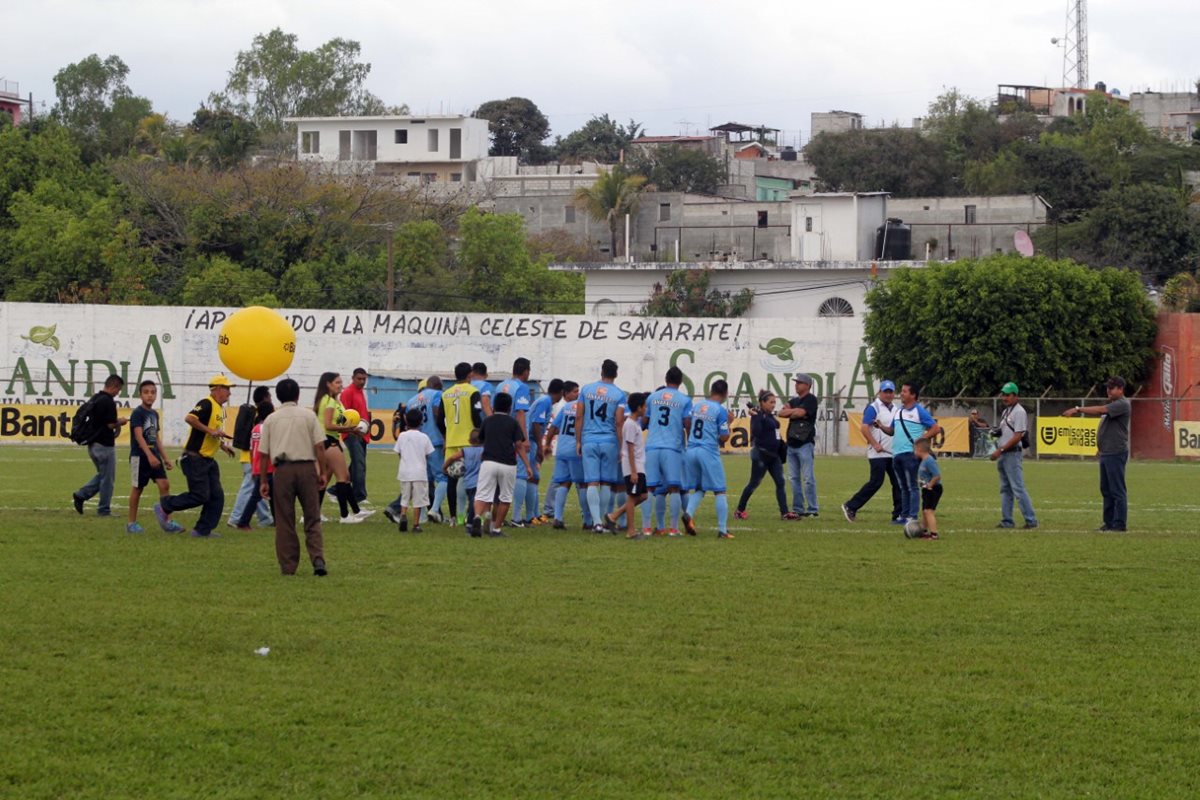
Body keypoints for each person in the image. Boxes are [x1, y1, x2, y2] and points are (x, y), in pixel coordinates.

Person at [257, 378, 327, 576]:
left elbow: (263, 454)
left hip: (283, 471)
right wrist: (322, 471)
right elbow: (320, 446)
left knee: (285, 520)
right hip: (306, 468)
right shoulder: (309, 415)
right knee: (312, 517)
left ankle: (288, 566)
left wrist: (263, 480)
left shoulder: (271, 419)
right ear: (297, 395)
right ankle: (318, 559)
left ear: (278, 397)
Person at [154, 374, 236, 538]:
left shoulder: (220, 409)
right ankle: (165, 505)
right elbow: (190, 418)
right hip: (194, 458)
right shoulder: (206, 403)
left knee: (217, 496)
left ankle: (202, 530)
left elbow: (210, 432)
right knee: (200, 495)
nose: (229, 393)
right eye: (227, 389)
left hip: (208, 460)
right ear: (217, 389)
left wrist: (221, 445)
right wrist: (211, 431)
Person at [1064, 376, 1131, 532]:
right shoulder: (1114, 404)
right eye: (1108, 387)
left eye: (1112, 387)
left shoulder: (1122, 404)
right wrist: (1100, 447)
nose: (1108, 390)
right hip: (1107, 452)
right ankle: (1109, 523)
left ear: (1120, 389)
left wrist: (1078, 409)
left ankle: (1119, 523)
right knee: (1106, 489)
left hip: (1115, 452)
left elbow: (1101, 410)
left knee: (1117, 489)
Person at [971, 381, 1038, 530]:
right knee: (1005, 489)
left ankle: (1031, 520)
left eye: (1008, 395)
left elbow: (1018, 436)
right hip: (1003, 454)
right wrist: (995, 433)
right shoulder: (1006, 411)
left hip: (1011, 454)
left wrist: (999, 450)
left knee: (1018, 488)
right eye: (1003, 394)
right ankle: (1007, 520)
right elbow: (1004, 431)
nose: (1004, 397)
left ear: (1015, 396)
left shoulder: (1019, 412)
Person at [877, 382, 942, 526]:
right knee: (903, 486)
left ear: (913, 395)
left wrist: (921, 439)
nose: (901, 394)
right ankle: (904, 515)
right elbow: (892, 431)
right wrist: (881, 426)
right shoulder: (899, 411)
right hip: (897, 454)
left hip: (911, 454)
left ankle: (912, 516)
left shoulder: (919, 411)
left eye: (905, 391)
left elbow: (935, 428)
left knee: (912, 486)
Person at [576, 359, 627, 535]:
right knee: (606, 482)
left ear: (601, 372)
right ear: (616, 374)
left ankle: (596, 522)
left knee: (591, 481)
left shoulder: (586, 389)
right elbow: (619, 422)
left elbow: (579, 416)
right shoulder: (619, 394)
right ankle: (604, 521)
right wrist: (621, 447)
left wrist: (578, 440)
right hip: (609, 441)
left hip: (589, 439)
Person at [841, 380, 903, 524]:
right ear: (879, 392)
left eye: (891, 392)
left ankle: (898, 514)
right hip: (877, 454)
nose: (888, 394)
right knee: (876, 482)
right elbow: (864, 428)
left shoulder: (895, 408)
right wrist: (875, 444)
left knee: (898, 483)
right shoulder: (873, 407)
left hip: (892, 452)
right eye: (885, 391)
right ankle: (850, 506)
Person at [126, 379, 183, 534]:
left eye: (153, 392)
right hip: (140, 456)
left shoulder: (154, 414)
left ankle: (168, 521)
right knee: (137, 489)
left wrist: (165, 457)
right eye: (146, 392)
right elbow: (139, 436)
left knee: (164, 484)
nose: (150, 395)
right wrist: (149, 455)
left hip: (154, 456)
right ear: (140, 395)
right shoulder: (138, 413)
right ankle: (131, 523)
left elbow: (155, 437)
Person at [313, 372, 370, 524]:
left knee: (325, 479)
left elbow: (337, 423)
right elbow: (328, 425)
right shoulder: (330, 401)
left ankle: (313, 513)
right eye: (337, 382)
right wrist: (351, 429)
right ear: (328, 384)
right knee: (343, 477)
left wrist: (350, 428)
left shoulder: (331, 401)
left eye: (341, 382)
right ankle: (345, 516)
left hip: (328, 440)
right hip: (328, 440)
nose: (340, 385)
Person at [471, 391, 530, 537]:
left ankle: (477, 517)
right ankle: (496, 529)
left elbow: (480, 439)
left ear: (494, 405)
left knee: (482, 495)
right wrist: (527, 465)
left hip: (489, 461)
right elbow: (518, 445)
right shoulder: (513, 422)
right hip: (507, 463)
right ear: (510, 407)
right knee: (505, 497)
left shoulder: (488, 421)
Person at [644, 367, 693, 535]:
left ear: (665, 379)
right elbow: (687, 424)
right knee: (674, 488)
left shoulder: (652, 397)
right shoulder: (684, 400)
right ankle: (673, 528)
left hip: (651, 446)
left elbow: (646, 420)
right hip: (672, 447)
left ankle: (647, 527)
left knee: (650, 488)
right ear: (681, 381)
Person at [72, 374, 129, 518]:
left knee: (104, 476)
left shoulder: (96, 398)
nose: (118, 393)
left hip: (93, 444)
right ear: (114, 386)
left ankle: (81, 495)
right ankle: (103, 509)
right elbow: (110, 424)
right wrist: (120, 422)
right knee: (107, 479)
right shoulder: (108, 401)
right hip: (104, 444)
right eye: (118, 389)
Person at [683, 379, 733, 539]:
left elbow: (688, 423)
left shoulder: (697, 405)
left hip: (691, 449)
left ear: (711, 391)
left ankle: (688, 514)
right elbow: (724, 437)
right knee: (720, 491)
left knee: (700, 488)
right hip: (708, 451)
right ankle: (723, 530)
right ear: (725, 394)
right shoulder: (720, 410)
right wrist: (729, 423)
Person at [735, 391, 795, 521]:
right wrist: (756, 416)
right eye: (771, 402)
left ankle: (784, 513)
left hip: (774, 456)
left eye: (774, 402)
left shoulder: (770, 416)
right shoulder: (759, 415)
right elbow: (756, 431)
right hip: (761, 454)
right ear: (762, 402)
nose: (773, 405)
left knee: (780, 482)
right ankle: (739, 510)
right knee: (754, 483)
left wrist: (781, 445)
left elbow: (776, 434)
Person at [438, 362, 484, 526]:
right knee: (474, 479)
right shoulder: (473, 391)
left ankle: (452, 518)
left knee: (452, 479)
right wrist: (481, 435)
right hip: (470, 442)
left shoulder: (446, 393)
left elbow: (439, 419)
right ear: (470, 375)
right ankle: (474, 515)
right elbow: (476, 415)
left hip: (452, 442)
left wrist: (446, 436)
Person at [227, 386, 274, 531]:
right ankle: (235, 518)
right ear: (265, 398)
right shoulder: (260, 418)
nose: (271, 399)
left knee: (256, 489)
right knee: (248, 489)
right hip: (254, 459)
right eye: (269, 396)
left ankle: (265, 519)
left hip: (249, 457)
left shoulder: (253, 414)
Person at [546, 381, 591, 530]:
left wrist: (547, 444)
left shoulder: (566, 407)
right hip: (575, 449)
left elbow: (553, 427)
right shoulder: (584, 408)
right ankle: (588, 520)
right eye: (576, 391)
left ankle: (558, 518)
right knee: (583, 484)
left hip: (561, 450)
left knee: (564, 483)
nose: (578, 394)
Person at [606, 392, 649, 538]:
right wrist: (633, 471)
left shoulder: (633, 423)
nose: (646, 409)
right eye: (644, 406)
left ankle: (614, 516)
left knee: (643, 495)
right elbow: (629, 448)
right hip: (633, 466)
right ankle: (631, 531)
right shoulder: (630, 424)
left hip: (638, 465)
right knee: (632, 497)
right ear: (638, 407)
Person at [498, 358, 535, 525]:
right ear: (526, 371)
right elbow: (520, 413)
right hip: (514, 435)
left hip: (499, 435)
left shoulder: (501, 385)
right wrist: (524, 438)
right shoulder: (522, 387)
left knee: (499, 476)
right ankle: (516, 517)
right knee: (521, 474)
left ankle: (498, 516)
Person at [779, 374, 819, 518]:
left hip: (805, 443)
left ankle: (813, 509)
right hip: (791, 444)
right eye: (796, 383)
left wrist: (794, 412)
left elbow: (801, 412)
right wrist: (793, 413)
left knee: (808, 478)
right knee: (794, 478)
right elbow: (781, 412)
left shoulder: (811, 399)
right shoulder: (794, 400)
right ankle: (798, 508)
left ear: (807, 385)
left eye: (799, 383)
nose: (796, 385)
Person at [525, 378, 562, 526]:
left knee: (535, 477)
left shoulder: (546, 402)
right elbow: (535, 424)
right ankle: (529, 516)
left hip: (534, 442)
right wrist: (540, 447)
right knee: (531, 477)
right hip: (531, 442)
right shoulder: (545, 402)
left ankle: (535, 514)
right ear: (560, 392)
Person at [413, 376, 448, 523]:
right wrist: (446, 435)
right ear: (438, 386)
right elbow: (437, 413)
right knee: (443, 477)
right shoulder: (437, 395)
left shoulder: (412, 400)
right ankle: (434, 510)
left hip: (418, 442)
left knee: (423, 480)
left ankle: (421, 516)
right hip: (435, 441)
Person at [393, 407, 434, 532]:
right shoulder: (424, 437)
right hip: (419, 472)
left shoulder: (402, 436)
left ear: (406, 420)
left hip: (405, 471)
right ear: (421, 421)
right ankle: (416, 524)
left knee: (405, 497)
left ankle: (403, 516)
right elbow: (428, 454)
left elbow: (398, 452)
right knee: (418, 500)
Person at [339, 367, 371, 505]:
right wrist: (351, 430)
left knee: (356, 466)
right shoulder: (347, 392)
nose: (362, 381)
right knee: (359, 464)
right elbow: (343, 415)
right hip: (351, 433)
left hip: (361, 434)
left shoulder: (360, 392)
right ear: (353, 378)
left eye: (364, 379)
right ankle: (359, 496)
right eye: (359, 379)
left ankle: (335, 490)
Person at [444, 429, 484, 533]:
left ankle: (472, 519)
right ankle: (471, 522)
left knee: (473, 501)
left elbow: (452, 457)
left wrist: (445, 467)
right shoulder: (484, 451)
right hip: (480, 482)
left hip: (468, 482)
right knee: (474, 502)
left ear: (469, 441)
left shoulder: (465, 450)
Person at [912, 439, 941, 540]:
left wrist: (930, 485)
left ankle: (934, 534)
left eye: (915, 449)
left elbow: (937, 476)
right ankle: (923, 531)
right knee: (924, 511)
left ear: (920, 449)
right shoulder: (923, 461)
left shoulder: (929, 460)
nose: (914, 452)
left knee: (929, 511)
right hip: (926, 489)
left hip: (933, 489)